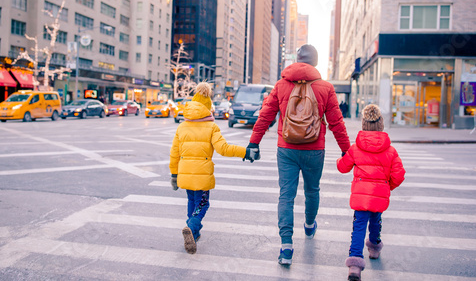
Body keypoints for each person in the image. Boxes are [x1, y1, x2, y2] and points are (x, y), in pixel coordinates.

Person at [247, 44, 351, 265]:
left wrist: (253, 143)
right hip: (315, 150)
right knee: (312, 190)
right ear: (315, 62)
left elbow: (266, 116)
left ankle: (286, 247)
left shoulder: (281, 85)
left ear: (297, 60)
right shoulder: (326, 88)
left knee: (286, 195)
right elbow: (336, 123)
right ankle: (310, 225)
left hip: (286, 149)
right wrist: (346, 150)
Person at [169, 82, 259, 254]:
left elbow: (174, 153)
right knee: (203, 203)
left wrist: (174, 174)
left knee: (192, 201)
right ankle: (192, 225)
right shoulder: (211, 127)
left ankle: (194, 233)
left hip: (185, 175)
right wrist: (246, 153)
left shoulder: (182, 127)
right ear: (208, 108)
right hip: (202, 175)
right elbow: (223, 149)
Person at [337, 104, 405, 281]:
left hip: (360, 196)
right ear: (381, 124)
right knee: (376, 220)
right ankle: (374, 248)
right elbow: (399, 174)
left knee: (359, 226)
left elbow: (342, 167)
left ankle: (354, 266)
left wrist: (341, 157)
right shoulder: (390, 150)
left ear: (363, 124)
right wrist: (387, 186)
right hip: (379, 194)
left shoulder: (355, 148)